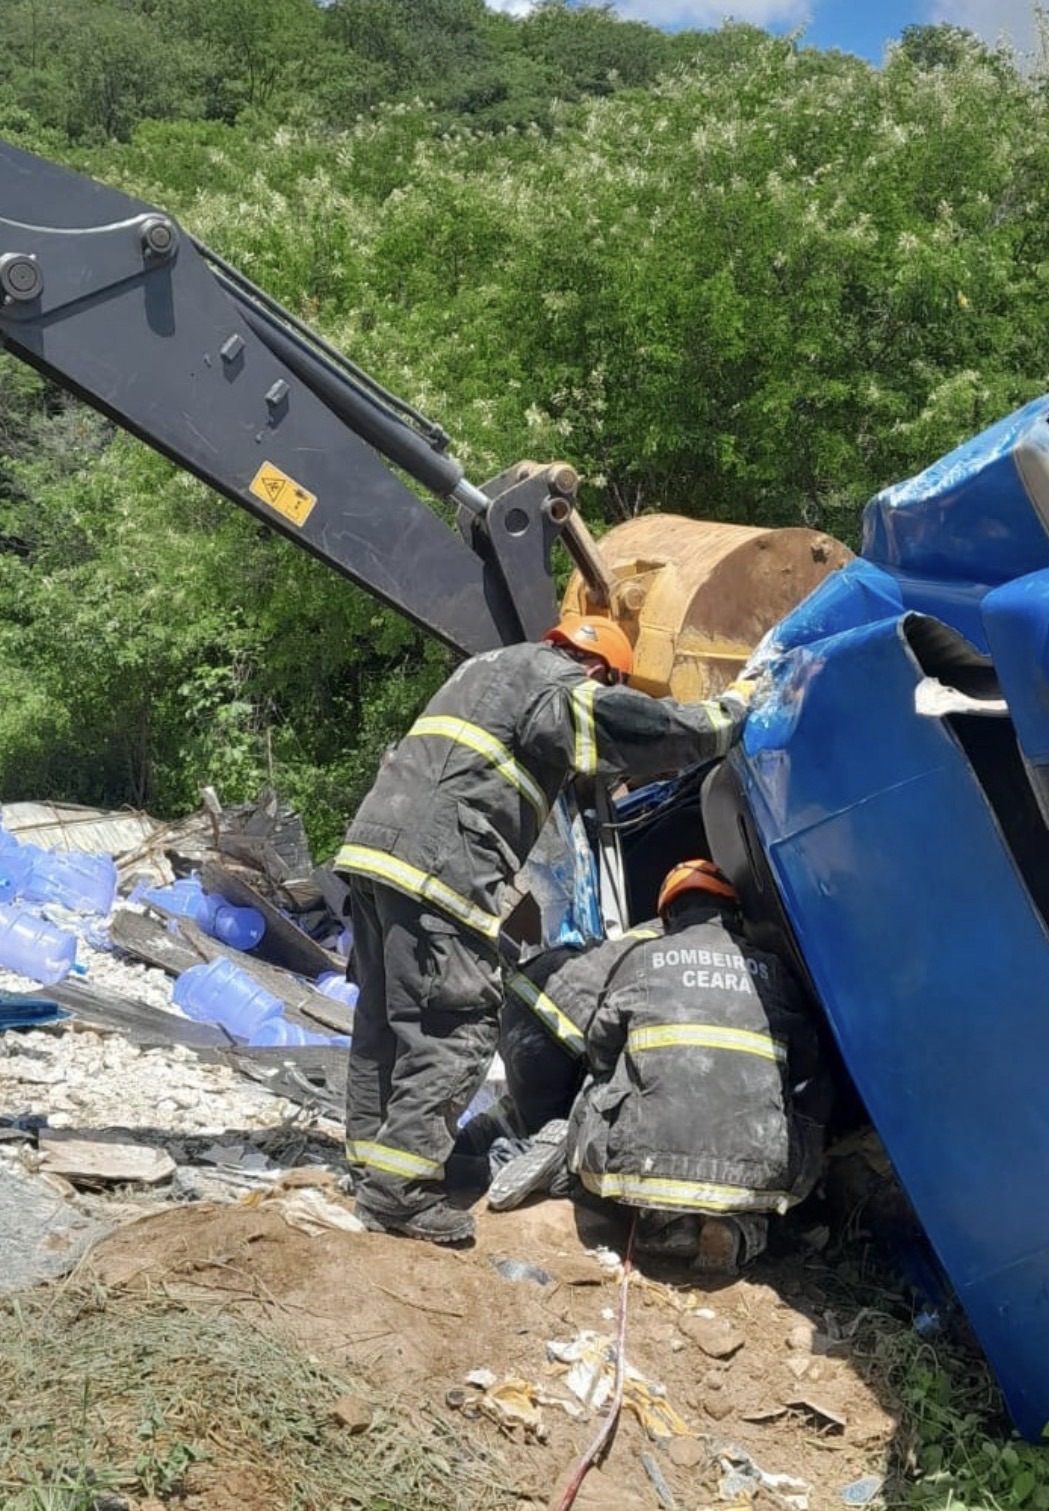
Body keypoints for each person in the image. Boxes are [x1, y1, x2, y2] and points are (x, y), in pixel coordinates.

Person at [334, 615, 754, 1244]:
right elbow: (632, 727)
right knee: (454, 1024)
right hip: (441, 863)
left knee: (386, 1019)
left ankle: (376, 1167)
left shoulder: (485, 670)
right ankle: (401, 1193)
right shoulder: (553, 681)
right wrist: (727, 714)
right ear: (596, 670)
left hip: (375, 852)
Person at [562, 858, 830, 1271]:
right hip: (762, 1173)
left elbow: (599, 1047)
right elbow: (808, 1062)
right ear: (735, 914)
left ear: (668, 915)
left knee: (600, 1077)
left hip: (640, 1168)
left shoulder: (642, 958)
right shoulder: (775, 972)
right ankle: (742, 1231)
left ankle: (651, 1219)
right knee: (806, 1097)